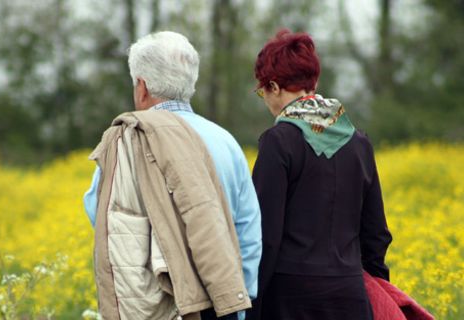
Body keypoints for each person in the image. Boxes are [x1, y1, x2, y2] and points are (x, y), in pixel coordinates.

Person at [84, 31, 262, 320]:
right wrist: (236, 299)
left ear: (141, 86)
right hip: (223, 302)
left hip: (159, 305)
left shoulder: (127, 140)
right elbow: (248, 230)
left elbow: (102, 216)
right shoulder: (226, 142)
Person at [247, 29, 393, 320]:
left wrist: (253, 304)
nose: (265, 99)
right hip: (350, 295)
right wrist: (379, 290)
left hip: (290, 299)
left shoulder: (278, 141)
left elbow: (266, 235)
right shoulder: (358, 141)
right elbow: (375, 234)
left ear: (274, 87)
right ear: (313, 82)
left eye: (263, 91)